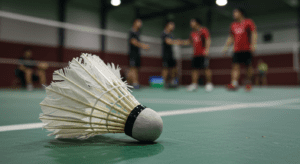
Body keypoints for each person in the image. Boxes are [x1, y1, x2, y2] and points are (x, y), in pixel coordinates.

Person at [222, 8, 257, 91]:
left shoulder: (249, 22)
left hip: (247, 49)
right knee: (235, 67)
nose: (233, 14)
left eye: (235, 12)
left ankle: (248, 83)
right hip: (236, 50)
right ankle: (234, 84)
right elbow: (231, 37)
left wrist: (253, 45)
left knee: (248, 67)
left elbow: (253, 33)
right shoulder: (233, 25)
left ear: (241, 13)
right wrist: (226, 48)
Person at [182, 18, 213, 92]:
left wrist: (207, 50)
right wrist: (177, 42)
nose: (191, 23)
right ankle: (194, 85)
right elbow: (189, 42)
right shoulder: (192, 33)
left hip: (203, 54)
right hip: (195, 54)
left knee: (206, 68)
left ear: (197, 23)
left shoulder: (204, 30)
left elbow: (208, 39)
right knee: (194, 70)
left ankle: (209, 84)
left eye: (192, 22)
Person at [127, 18, 150, 89]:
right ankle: (135, 83)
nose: (140, 24)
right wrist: (143, 46)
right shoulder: (132, 32)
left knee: (135, 69)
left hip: (137, 53)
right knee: (133, 68)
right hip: (132, 53)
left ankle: (129, 83)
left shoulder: (138, 33)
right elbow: (133, 42)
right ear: (134, 23)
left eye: (140, 23)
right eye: (138, 22)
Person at [161, 21, 181, 88]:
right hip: (166, 54)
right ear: (167, 25)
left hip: (172, 54)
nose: (173, 27)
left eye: (173, 26)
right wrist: (176, 42)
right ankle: (163, 83)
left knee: (173, 68)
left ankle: (172, 82)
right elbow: (168, 41)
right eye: (171, 25)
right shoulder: (164, 33)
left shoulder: (172, 35)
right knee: (165, 68)